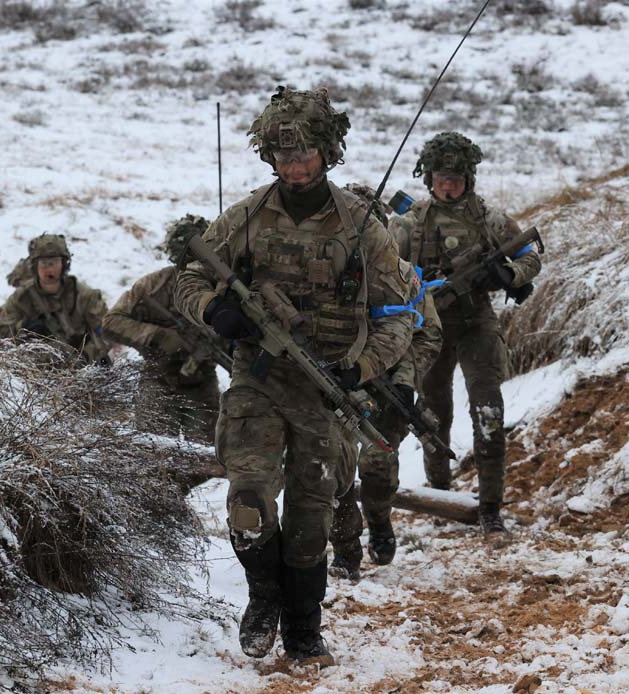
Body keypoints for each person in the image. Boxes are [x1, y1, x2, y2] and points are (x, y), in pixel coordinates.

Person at [175, 87, 415, 664]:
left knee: (312, 520)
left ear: (328, 154)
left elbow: (400, 315)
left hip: (328, 392)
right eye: (283, 156)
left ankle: (304, 628)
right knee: (248, 502)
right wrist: (214, 310)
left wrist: (361, 366)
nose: (294, 166)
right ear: (268, 156)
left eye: (305, 154)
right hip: (257, 383)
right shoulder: (248, 218)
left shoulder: (363, 227)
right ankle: (263, 596)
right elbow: (189, 276)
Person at [393, 132, 542, 534]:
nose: (448, 185)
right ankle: (440, 496)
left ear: (469, 177)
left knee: (489, 412)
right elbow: (386, 269)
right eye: (441, 177)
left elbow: (530, 255)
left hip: (477, 323)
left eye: (456, 177)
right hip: (430, 328)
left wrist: (509, 274)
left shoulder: (489, 220)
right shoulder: (410, 223)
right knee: (431, 416)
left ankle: (490, 506)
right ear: (428, 178)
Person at [329, 184, 443, 581]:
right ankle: (345, 549)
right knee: (336, 470)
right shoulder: (324, 274)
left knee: (378, 467)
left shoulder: (405, 277)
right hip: (336, 386)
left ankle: (378, 519)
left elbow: (428, 334)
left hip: (389, 389)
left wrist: (406, 380)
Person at [101, 215, 225, 444]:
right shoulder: (153, 286)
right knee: (153, 453)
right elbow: (111, 322)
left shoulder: (222, 289)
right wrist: (157, 336)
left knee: (208, 458)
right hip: (157, 380)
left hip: (202, 384)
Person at [0, 233, 111, 365]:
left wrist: (85, 357)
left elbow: (107, 335)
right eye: (44, 263)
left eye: (54, 262)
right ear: (35, 266)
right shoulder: (23, 297)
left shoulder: (85, 296)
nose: (49, 269)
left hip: (84, 368)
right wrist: (23, 328)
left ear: (64, 264)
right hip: (37, 369)